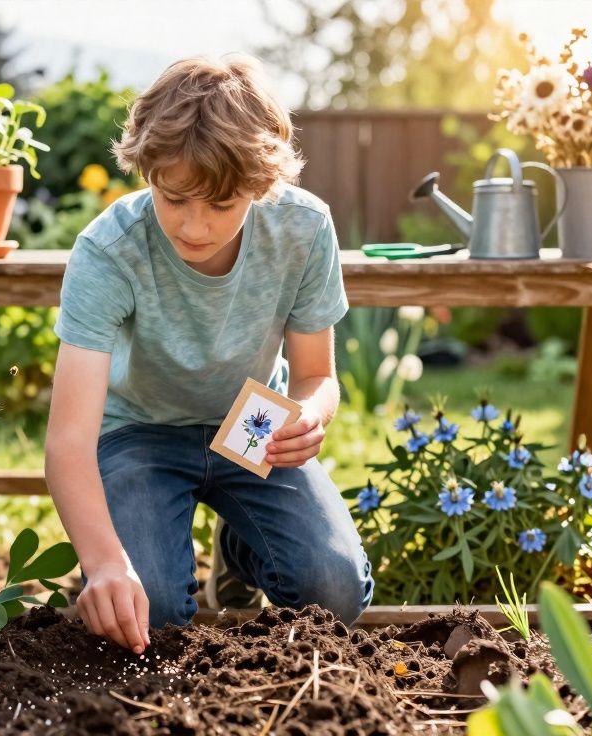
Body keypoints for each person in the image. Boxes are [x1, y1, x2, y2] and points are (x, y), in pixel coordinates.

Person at [44, 54, 374, 656]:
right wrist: (105, 564)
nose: (194, 227)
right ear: (147, 173)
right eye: (174, 199)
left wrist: (308, 414)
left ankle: (239, 551)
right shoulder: (109, 250)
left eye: (221, 205)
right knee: (155, 618)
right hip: (136, 433)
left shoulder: (302, 229)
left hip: (252, 425)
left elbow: (315, 376)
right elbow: (68, 441)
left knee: (335, 594)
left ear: (262, 186)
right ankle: (114, 562)